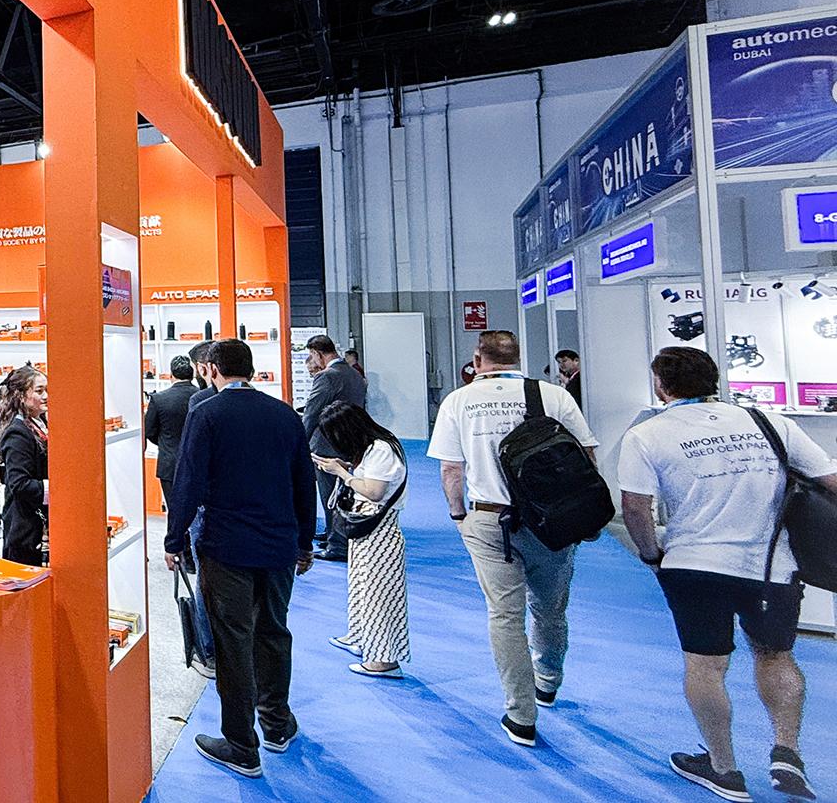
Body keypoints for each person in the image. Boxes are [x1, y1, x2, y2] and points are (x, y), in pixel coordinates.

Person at [618, 347, 837, 801]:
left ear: (661, 385)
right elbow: (829, 481)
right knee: (776, 656)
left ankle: (724, 769)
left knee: (706, 665)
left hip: (694, 565)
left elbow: (636, 508)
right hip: (771, 566)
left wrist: (651, 555)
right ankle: (787, 752)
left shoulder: (646, 435)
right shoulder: (769, 422)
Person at [428, 329, 599, 748]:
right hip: (552, 520)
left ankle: (521, 715)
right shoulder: (553, 396)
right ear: (517, 357)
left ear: (477, 359)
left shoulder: (459, 401)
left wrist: (458, 515)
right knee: (550, 608)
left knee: (505, 616)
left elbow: (451, 470)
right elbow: (586, 457)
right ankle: (548, 680)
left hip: (490, 519)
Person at [162, 339, 314, 778]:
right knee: (274, 632)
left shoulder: (207, 414)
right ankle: (277, 724)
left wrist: (174, 539)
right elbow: (303, 482)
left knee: (233, 641)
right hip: (279, 544)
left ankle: (241, 745)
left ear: (211, 369)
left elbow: (188, 480)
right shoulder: (284, 414)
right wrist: (305, 542)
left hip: (226, 546)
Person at [312, 401, 410, 680]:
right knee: (362, 588)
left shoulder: (381, 450)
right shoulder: (373, 449)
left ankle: (384, 661)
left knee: (379, 595)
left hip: (380, 532)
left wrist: (342, 473)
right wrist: (344, 467)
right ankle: (362, 637)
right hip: (366, 529)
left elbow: (375, 491)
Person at [303, 334, 368, 562]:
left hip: (326, 444)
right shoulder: (354, 374)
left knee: (330, 494)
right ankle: (334, 533)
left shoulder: (327, 376)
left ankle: (338, 545)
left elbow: (312, 413)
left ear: (317, 353)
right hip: (350, 440)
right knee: (342, 491)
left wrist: (300, 441)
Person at [0, 366, 50, 566]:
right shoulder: (18, 433)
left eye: (47, 390)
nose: (46, 396)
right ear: (21, 396)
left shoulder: (39, 423)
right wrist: (55, 487)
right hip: (24, 527)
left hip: (37, 524)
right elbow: (19, 483)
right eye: (39, 391)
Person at [146, 355, 198, 510]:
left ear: (171, 375)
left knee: (174, 510)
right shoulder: (203, 396)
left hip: (170, 462)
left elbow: (149, 431)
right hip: (199, 461)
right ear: (192, 374)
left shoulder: (158, 399)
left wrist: (165, 442)